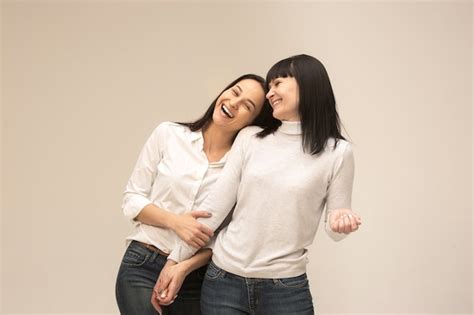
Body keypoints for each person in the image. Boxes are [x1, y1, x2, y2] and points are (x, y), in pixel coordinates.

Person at [155, 54, 362, 314]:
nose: (269, 93)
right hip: (223, 282)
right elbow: (214, 210)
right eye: (269, 87)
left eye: (277, 84)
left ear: (308, 83)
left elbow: (334, 228)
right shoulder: (251, 138)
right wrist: (175, 259)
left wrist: (339, 223)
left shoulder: (337, 152)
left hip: (285, 288)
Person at [115, 73, 279, 315]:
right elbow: (132, 198)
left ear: (252, 122)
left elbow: (232, 234)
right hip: (143, 263)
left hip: (196, 277)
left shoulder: (245, 167)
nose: (234, 103)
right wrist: (176, 222)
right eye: (235, 92)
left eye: (247, 106)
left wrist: (183, 267)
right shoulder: (168, 134)